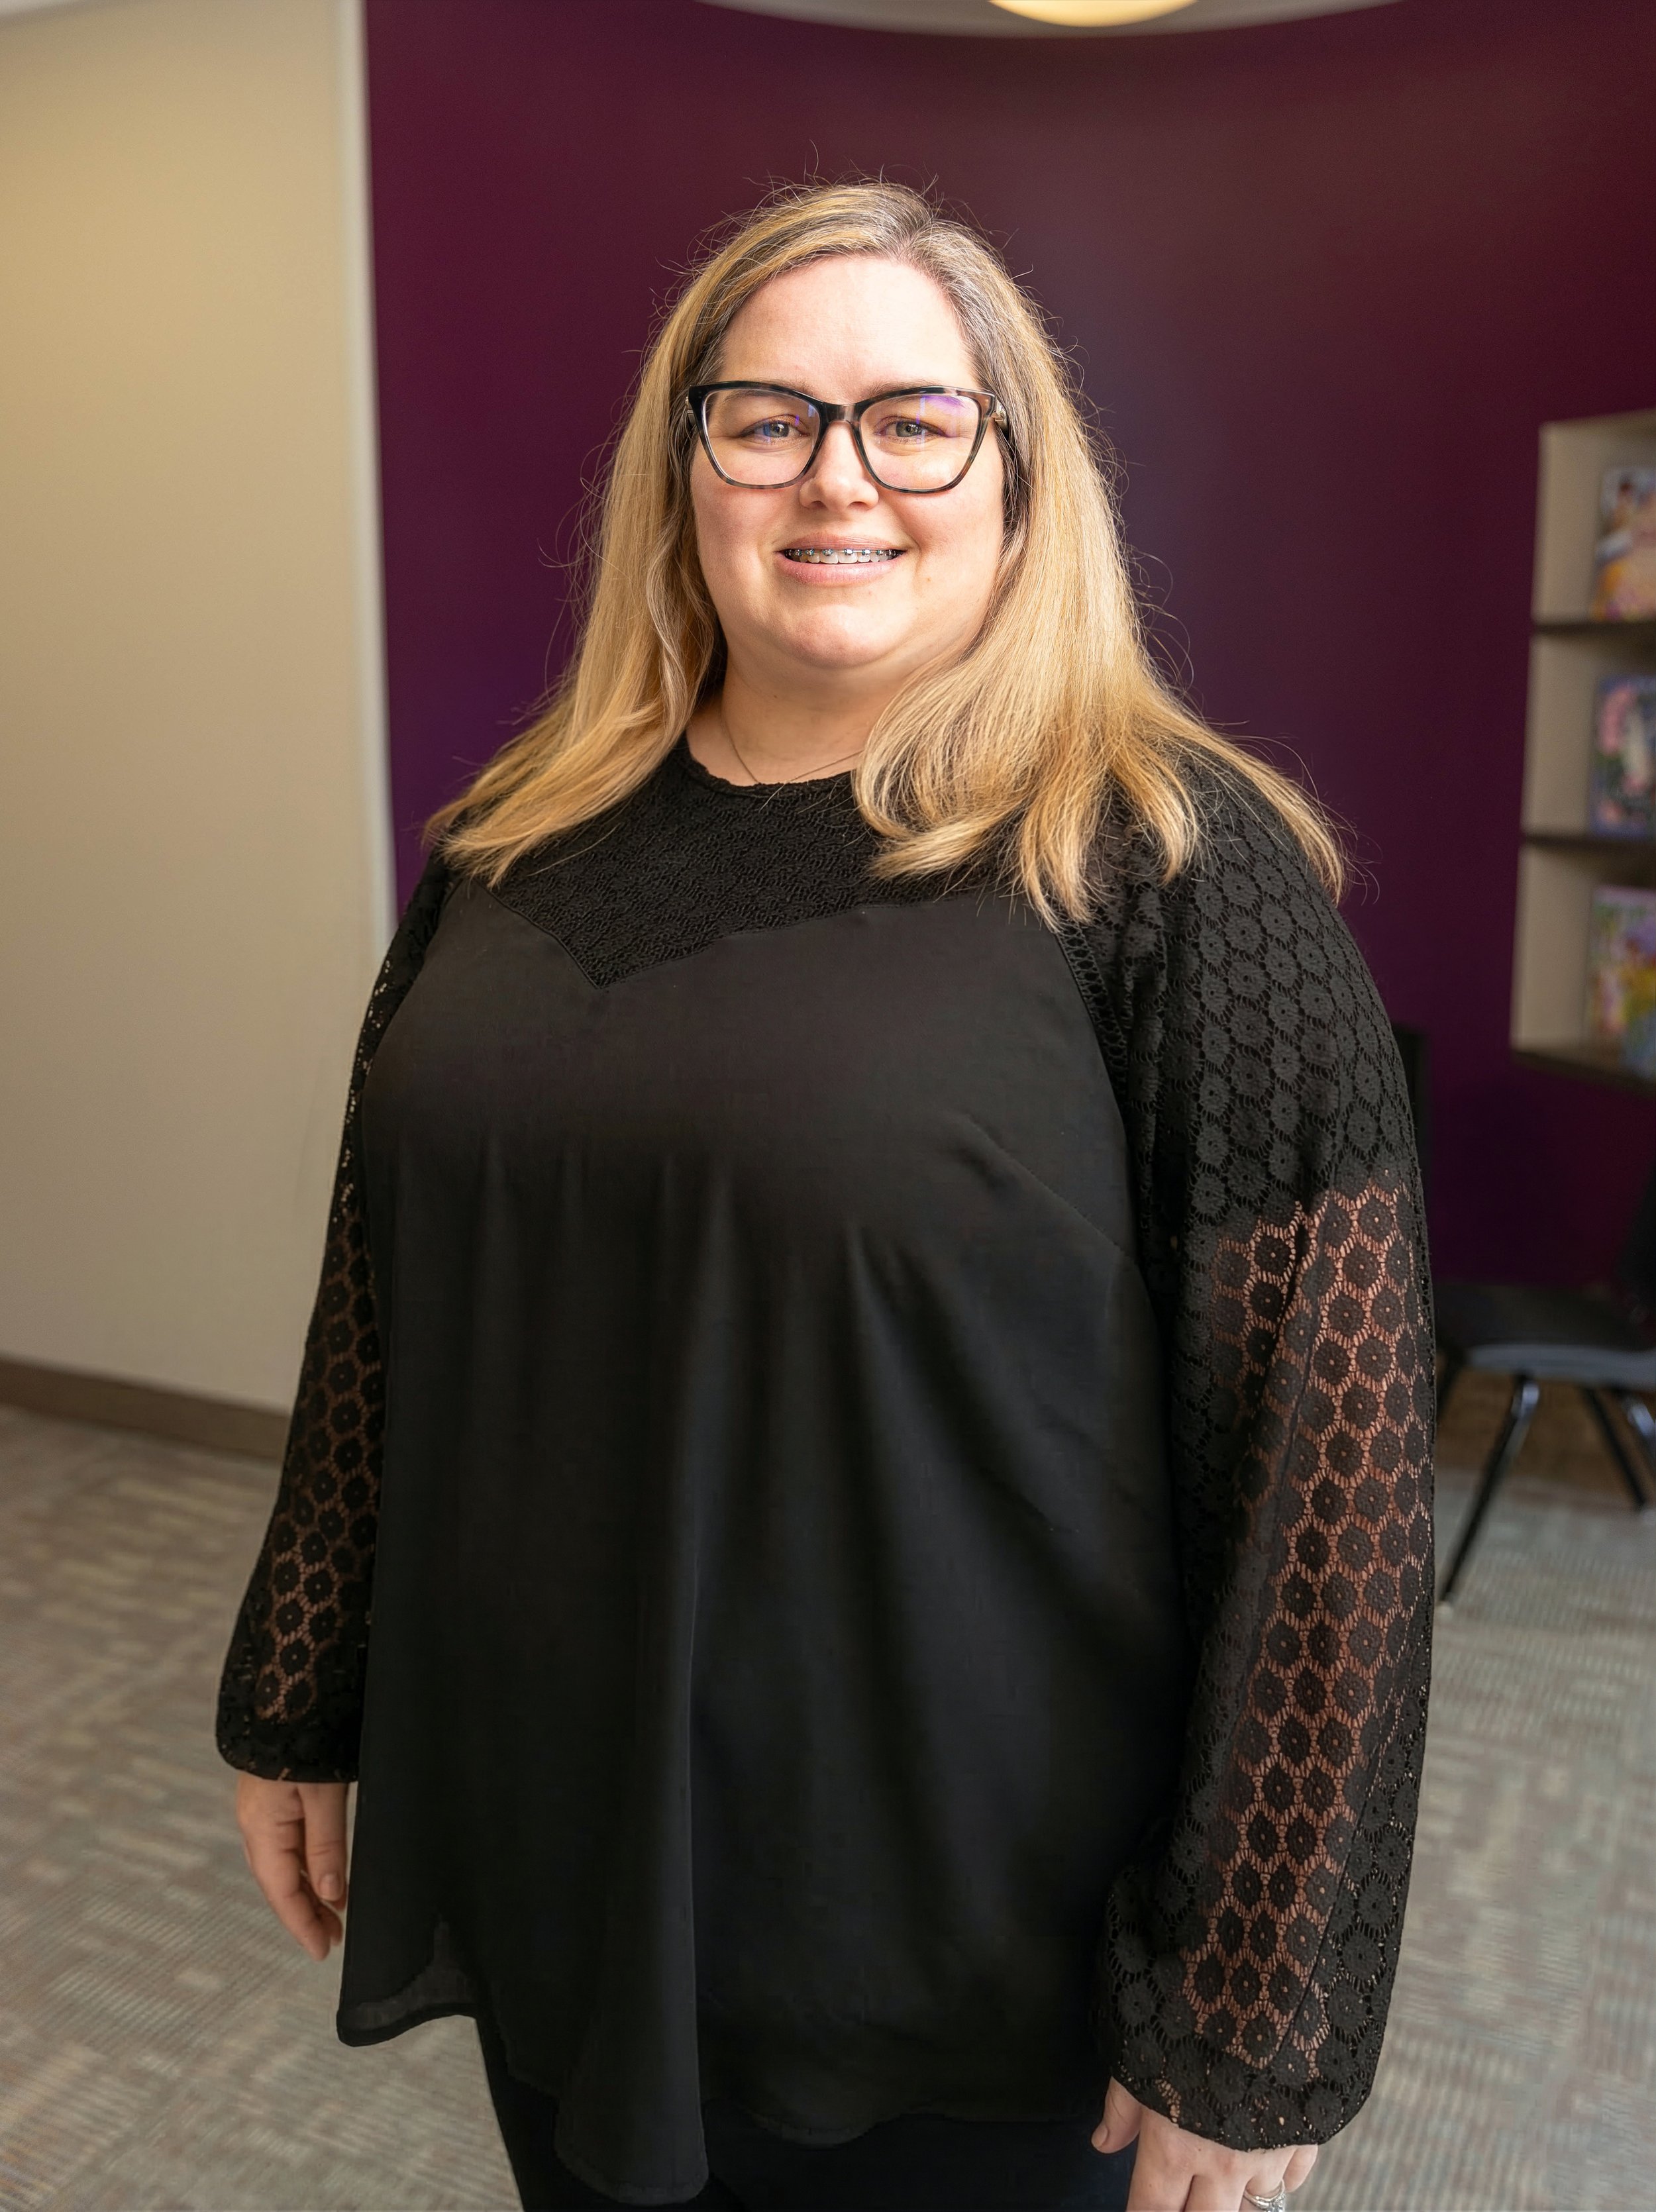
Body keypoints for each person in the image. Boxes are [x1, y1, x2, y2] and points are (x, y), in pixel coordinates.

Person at [219, 180, 1433, 2212]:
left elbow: (1330, 1474)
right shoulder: (516, 844)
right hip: (568, 1849)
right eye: (764, 415)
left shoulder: (1163, 860)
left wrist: (1254, 1996)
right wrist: (301, 1676)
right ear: (682, 462)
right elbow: (382, 1298)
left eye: (910, 418)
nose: (834, 475)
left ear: (1015, 475)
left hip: (953, 1933)